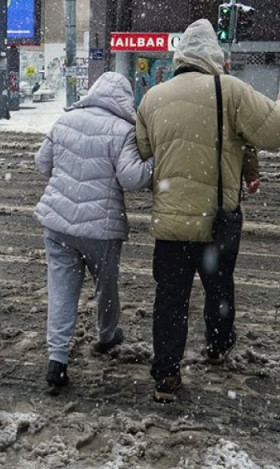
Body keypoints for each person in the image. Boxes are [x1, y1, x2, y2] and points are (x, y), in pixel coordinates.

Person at [135, 19, 280, 403]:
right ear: (214, 55)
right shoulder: (229, 90)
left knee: (169, 298)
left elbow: (144, 150)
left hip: (170, 222)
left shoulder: (153, 97)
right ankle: (218, 344)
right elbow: (274, 132)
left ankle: (166, 374)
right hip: (216, 219)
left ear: (180, 54)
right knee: (219, 288)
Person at [34, 72, 154, 393]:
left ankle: (56, 363)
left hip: (58, 225)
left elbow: (42, 163)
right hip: (100, 231)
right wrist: (154, 163)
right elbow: (131, 178)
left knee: (60, 291)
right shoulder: (124, 130)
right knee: (106, 285)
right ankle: (106, 336)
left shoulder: (66, 120)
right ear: (125, 100)